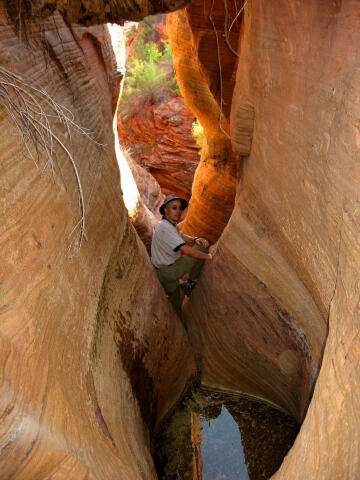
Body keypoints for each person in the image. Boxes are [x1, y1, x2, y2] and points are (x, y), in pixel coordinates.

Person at [151, 194, 217, 317]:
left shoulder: (167, 224)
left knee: (175, 301)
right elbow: (186, 250)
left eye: (180, 208)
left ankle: (178, 320)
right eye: (174, 208)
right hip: (169, 271)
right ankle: (190, 283)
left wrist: (195, 239)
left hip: (161, 271)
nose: (178, 211)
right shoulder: (166, 228)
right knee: (201, 248)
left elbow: (180, 236)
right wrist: (208, 256)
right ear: (165, 210)